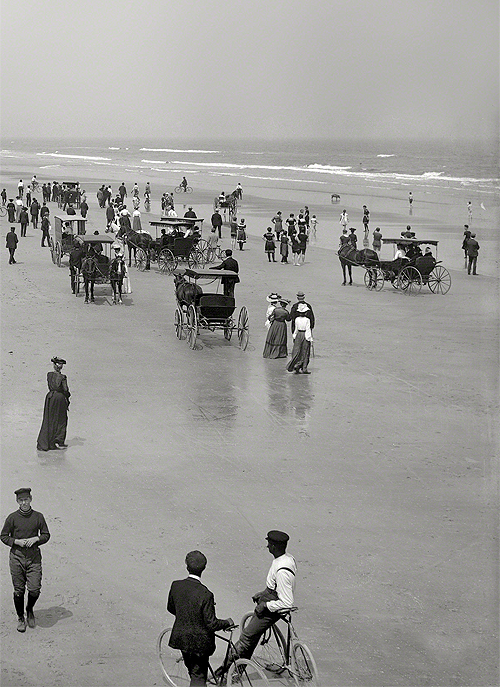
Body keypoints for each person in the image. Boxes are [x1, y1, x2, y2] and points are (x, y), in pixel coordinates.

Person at [217, 531, 296, 671]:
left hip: (273, 607)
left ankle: (224, 670)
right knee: (252, 636)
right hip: (272, 596)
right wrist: (263, 593)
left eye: (269, 544)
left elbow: (287, 602)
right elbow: (274, 586)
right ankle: (238, 670)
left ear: (274, 546)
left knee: (246, 638)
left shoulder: (282, 571)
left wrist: (265, 605)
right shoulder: (287, 558)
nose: (267, 546)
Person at [167, 551, 233, 686]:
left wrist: (187, 616)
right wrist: (226, 622)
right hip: (200, 644)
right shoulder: (206, 594)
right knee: (198, 677)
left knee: (192, 671)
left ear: (187, 567)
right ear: (204, 568)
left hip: (181, 637)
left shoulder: (176, 585)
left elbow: (171, 608)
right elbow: (211, 624)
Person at [1, 488, 50, 632]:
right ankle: (20, 617)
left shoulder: (38, 517)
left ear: (31, 499)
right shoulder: (12, 518)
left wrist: (37, 538)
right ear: (17, 502)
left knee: (34, 589)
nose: (24, 503)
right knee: (19, 591)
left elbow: (46, 534)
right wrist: (16, 541)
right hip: (16, 558)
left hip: (34, 558)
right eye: (21, 500)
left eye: (26, 500)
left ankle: (29, 609)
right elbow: (3, 536)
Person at [36, 357, 71, 451]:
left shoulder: (49, 375)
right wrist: (67, 398)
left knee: (49, 419)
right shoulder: (63, 377)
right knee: (62, 419)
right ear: (60, 366)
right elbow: (66, 390)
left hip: (50, 397)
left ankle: (46, 441)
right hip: (59, 398)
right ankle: (59, 440)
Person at [287, 303, 314, 374]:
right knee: (305, 351)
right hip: (305, 334)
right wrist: (310, 338)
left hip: (298, 334)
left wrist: (294, 336)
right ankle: (304, 368)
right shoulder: (307, 320)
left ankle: (296, 365)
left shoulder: (296, 319)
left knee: (297, 351)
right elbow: (308, 329)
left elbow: (295, 329)